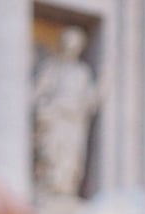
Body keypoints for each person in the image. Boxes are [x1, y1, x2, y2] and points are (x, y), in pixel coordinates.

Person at [32, 26, 102, 198]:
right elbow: (37, 93)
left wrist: (103, 87)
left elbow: (89, 101)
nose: (71, 48)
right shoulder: (52, 68)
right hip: (55, 118)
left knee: (70, 161)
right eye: (68, 43)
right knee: (51, 155)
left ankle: (64, 191)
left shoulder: (82, 72)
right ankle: (48, 189)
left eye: (75, 45)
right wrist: (44, 108)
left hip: (74, 122)